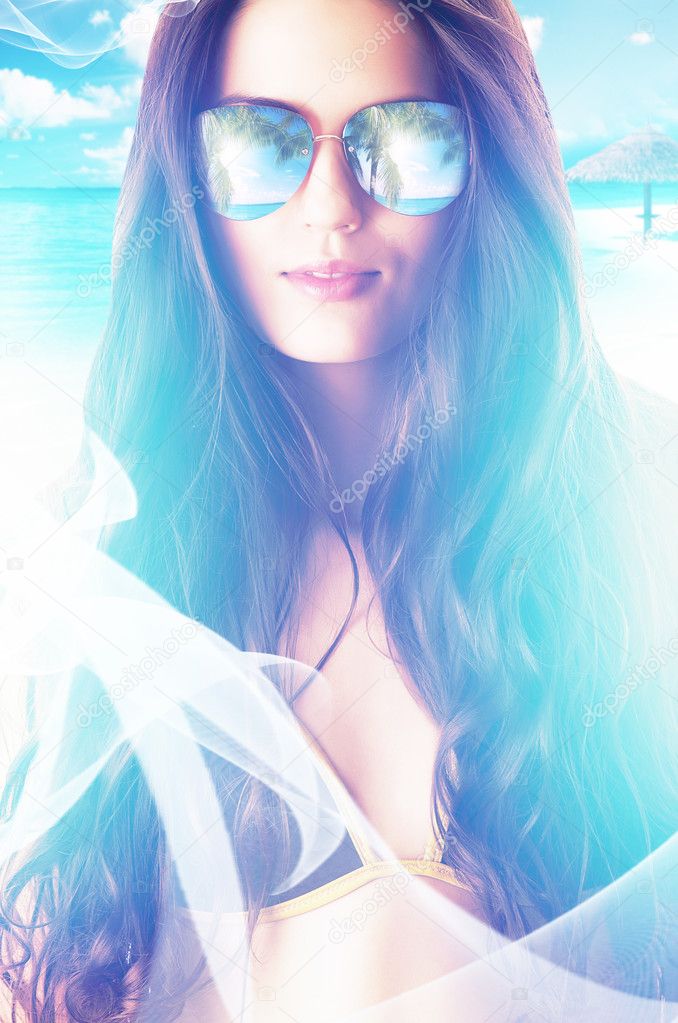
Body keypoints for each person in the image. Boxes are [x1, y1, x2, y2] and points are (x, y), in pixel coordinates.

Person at [1, 0, 677, 1019]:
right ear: (185, 176)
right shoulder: (101, 555)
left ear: (489, 163)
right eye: (257, 142)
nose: (331, 206)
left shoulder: (630, 510)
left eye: (403, 136)